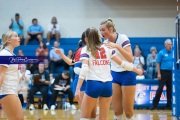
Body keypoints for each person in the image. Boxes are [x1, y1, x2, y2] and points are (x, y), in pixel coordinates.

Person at [72, 28, 142, 120]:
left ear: (86, 39)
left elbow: (84, 69)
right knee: (103, 118)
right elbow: (122, 63)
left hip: (93, 84)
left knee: (85, 117)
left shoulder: (85, 49)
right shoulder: (107, 47)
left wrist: (77, 89)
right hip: (108, 86)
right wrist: (136, 70)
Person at [100, 18, 136, 120]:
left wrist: (117, 46)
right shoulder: (105, 42)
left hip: (128, 73)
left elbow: (130, 58)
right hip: (114, 75)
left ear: (110, 30)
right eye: (100, 30)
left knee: (128, 112)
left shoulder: (123, 38)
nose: (101, 32)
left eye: (103, 30)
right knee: (117, 111)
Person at [54, 32, 87, 108]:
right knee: (82, 107)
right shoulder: (79, 52)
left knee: (90, 107)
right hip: (79, 79)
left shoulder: (90, 51)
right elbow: (71, 62)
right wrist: (61, 54)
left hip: (87, 79)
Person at [0, 31, 23, 120]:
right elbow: (1, 75)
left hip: (11, 90)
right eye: (16, 36)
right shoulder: (4, 54)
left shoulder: (11, 54)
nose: (19, 38)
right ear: (9, 40)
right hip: (7, 91)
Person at [149, 39, 172, 110]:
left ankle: (169, 105)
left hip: (170, 73)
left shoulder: (173, 52)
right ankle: (154, 105)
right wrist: (159, 73)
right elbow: (157, 63)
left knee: (170, 89)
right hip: (163, 73)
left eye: (171, 44)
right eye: (169, 44)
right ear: (165, 45)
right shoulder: (161, 53)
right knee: (160, 89)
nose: (170, 46)